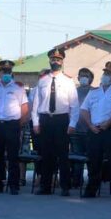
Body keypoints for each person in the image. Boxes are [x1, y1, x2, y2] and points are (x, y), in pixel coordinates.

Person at [32, 48, 79, 197]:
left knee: (63, 155)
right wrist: (35, 122)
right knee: (46, 155)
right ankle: (45, 186)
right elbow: (36, 104)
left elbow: (75, 105)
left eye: (58, 59)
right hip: (46, 120)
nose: (56, 62)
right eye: (53, 59)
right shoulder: (43, 81)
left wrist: (72, 124)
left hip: (61, 120)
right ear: (50, 61)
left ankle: (65, 187)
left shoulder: (68, 81)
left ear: (62, 62)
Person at [81, 61, 111, 199]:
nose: (105, 76)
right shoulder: (93, 91)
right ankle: (91, 190)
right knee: (93, 161)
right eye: (105, 73)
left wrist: (108, 122)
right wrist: (90, 125)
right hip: (95, 130)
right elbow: (84, 109)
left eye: (109, 74)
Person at [0, 60, 28, 195]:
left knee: (13, 156)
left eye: (9, 72)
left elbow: (25, 109)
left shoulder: (18, 89)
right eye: (4, 72)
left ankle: (14, 185)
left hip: (12, 125)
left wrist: (17, 124)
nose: (6, 74)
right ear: (0, 73)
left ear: (11, 73)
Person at [71, 67, 94, 188]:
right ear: (78, 78)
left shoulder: (95, 92)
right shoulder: (73, 91)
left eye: (86, 75)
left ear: (91, 78)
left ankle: (92, 181)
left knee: (91, 157)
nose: (83, 77)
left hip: (91, 130)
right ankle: (76, 181)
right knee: (77, 157)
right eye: (81, 75)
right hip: (76, 130)